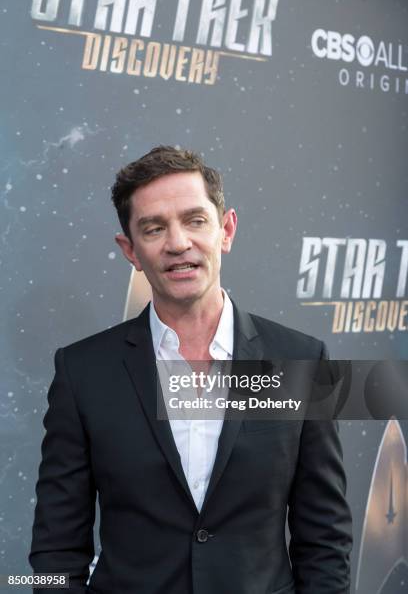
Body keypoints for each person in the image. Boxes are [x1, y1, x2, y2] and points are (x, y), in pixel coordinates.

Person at [30, 145, 352, 593]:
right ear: (130, 250)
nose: (178, 242)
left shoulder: (300, 360)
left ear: (226, 229)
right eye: (154, 228)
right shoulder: (82, 372)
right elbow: (55, 551)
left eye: (195, 220)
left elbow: (325, 540)